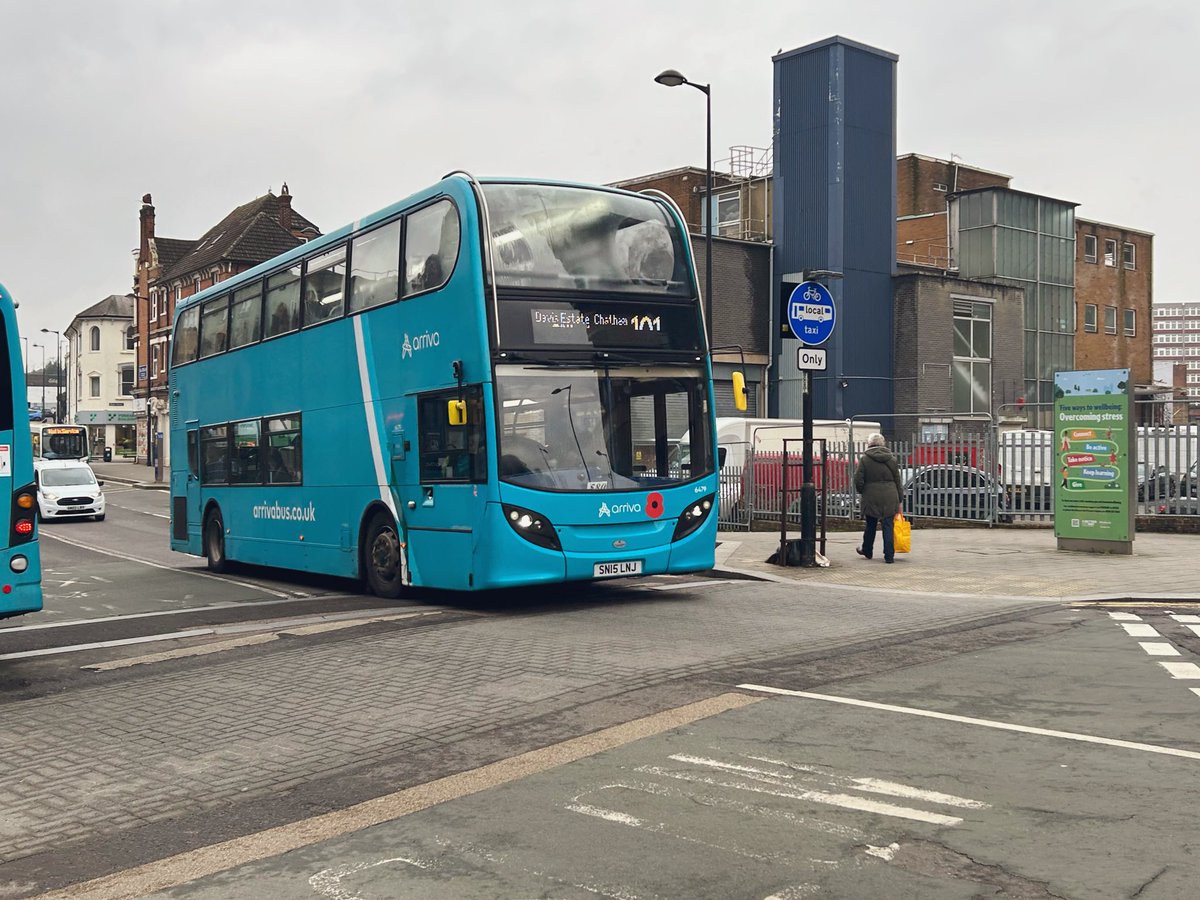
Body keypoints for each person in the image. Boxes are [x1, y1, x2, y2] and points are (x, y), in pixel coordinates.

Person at [853, 432, 904, 564]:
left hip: (871, 495)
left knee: (871, 524)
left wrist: (862, 491)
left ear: (869, 444)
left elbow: (858, 479)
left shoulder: (865, 459)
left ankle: (867, 550)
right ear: (883, 443)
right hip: (890, 495)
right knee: (888, 525)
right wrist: (899, 498)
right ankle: (889, 556)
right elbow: (897, 480)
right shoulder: (891, 459)